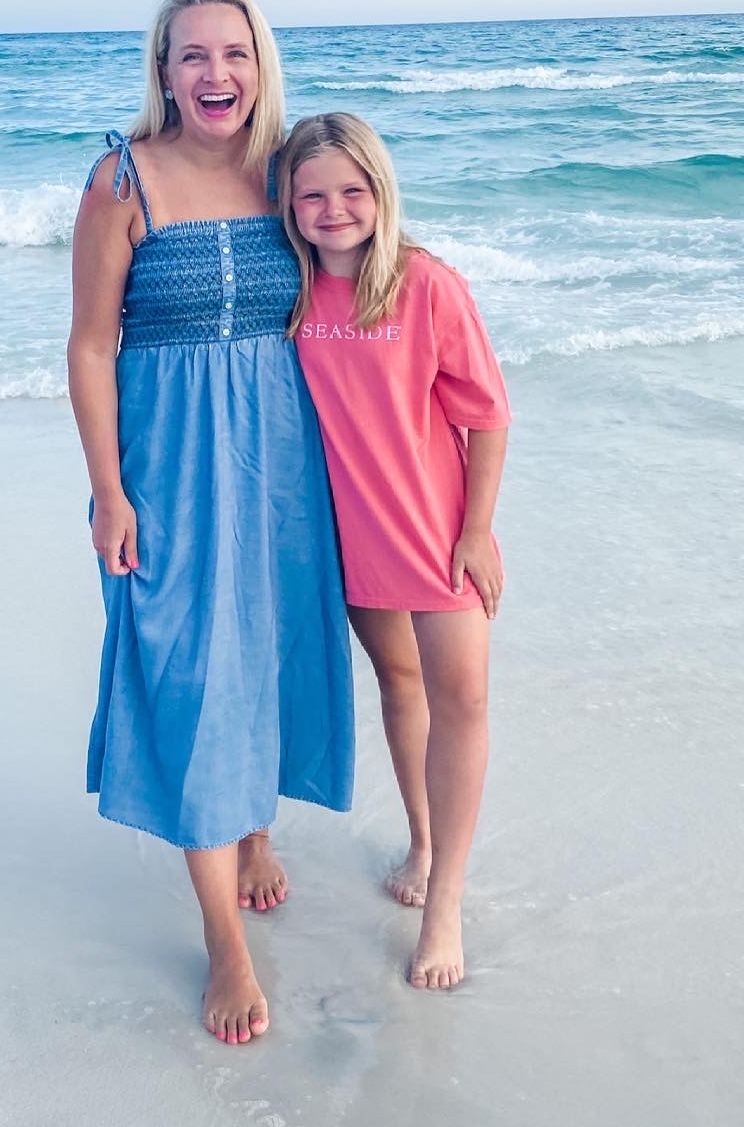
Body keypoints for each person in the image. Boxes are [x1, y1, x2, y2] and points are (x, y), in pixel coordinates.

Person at [67, 0, 354, 1045]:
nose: (216, 74)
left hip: (282, 450)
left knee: (268, 647)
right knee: (190, 669)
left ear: (261, 64)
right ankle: (224, 944)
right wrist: (109, 490)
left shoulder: (290, 173)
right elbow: (91, 344)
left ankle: (257, 828)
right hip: (170, 459)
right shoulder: (122, 177)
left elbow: (370, 274)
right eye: (194, 56)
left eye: (235, 53)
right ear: (164, 70)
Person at [277, 112, 510, 991]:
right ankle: (420, 840)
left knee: (464, 696)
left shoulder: (425, 285)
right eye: (312, 194)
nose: (334, 209)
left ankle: (445, 898)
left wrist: (477, 529)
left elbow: (486, 415)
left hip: (438, 531)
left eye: (351, 190)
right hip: (352, 535)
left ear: (379, 192)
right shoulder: (292, 295)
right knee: (399, 682)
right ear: (290, 206)